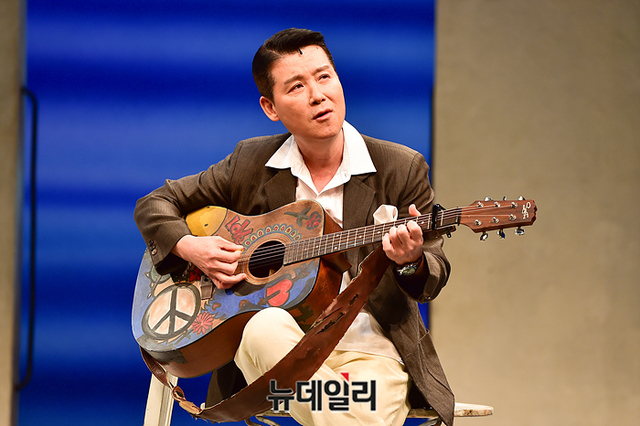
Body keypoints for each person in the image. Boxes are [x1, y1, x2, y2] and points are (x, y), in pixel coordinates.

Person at [134, 28, 454, 426]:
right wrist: (189, 246)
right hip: (277, 354)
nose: (318, 95)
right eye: (297, 86)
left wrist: (410, 261)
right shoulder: (250, 163)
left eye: (324, 77)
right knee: (263, 325)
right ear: (270, 107)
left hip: (369, 353)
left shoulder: (400, 167)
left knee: (357, 412)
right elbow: (154, 204)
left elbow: (432, 275)